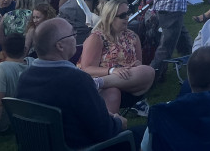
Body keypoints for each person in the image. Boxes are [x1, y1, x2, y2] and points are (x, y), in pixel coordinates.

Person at [16, 18, 134, 148]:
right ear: (60, 46)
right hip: (83, 147)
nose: (75, 38)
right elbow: (104, 131)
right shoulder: (77, 80)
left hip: (42, 146)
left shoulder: (24, 78)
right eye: (72, 34)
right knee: (144, 132)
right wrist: (118, 122)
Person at [79, 0, 155, 116]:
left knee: (148, 71)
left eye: (128, 13)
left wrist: (136, 65)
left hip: (128, 84)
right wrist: (112, 71)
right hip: (104, 85)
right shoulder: (97, 37)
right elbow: (86, 69)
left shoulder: (133, 36)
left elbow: (139, 63)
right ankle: (112, 128)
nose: (127, 17)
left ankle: (100, 83)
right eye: (123, 15)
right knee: (112, 92)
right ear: (110, 17)